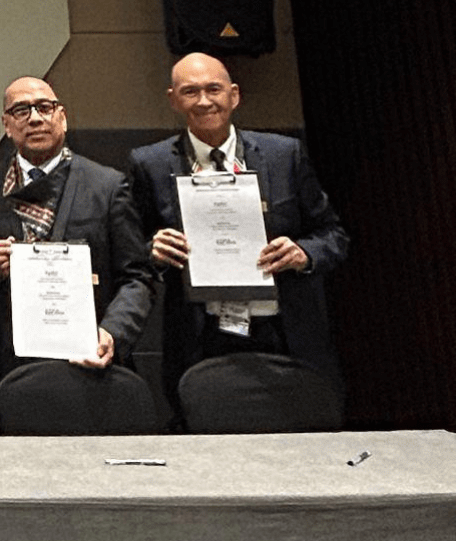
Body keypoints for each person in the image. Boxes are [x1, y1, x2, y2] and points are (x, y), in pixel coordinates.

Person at [128, 52, 349, 414]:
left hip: (283, 331)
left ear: (234, 95)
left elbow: (333, 235)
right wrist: (152, 250)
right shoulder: (149, 164)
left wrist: (304, 253)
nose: (204, 101)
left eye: (213, 89)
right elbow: (131, 251)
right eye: (190, 91)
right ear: (173, 99)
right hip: (200, 335)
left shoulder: (284, 155)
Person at [0, 77, 155, 399]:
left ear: (62, 117)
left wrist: (113, 332)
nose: (35, 118)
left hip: (92, 358)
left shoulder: (107, 185)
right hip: (12, 364)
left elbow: (137, 276)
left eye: (45, 107)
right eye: (21, 110)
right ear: (7, 125)